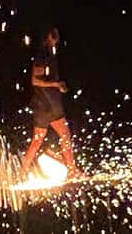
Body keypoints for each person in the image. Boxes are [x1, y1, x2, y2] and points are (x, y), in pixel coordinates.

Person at [21, 26, 85, 181]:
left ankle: (71, 171)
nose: (57, 39)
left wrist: (58, 85)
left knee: (63, 136)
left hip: (51, 105)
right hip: (44, 106)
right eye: (54, 36)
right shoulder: (42, 55)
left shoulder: (51, 54)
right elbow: (35, 80)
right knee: (39, 140)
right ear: (48, 37)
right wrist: (55, 85)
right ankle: (22, 173)